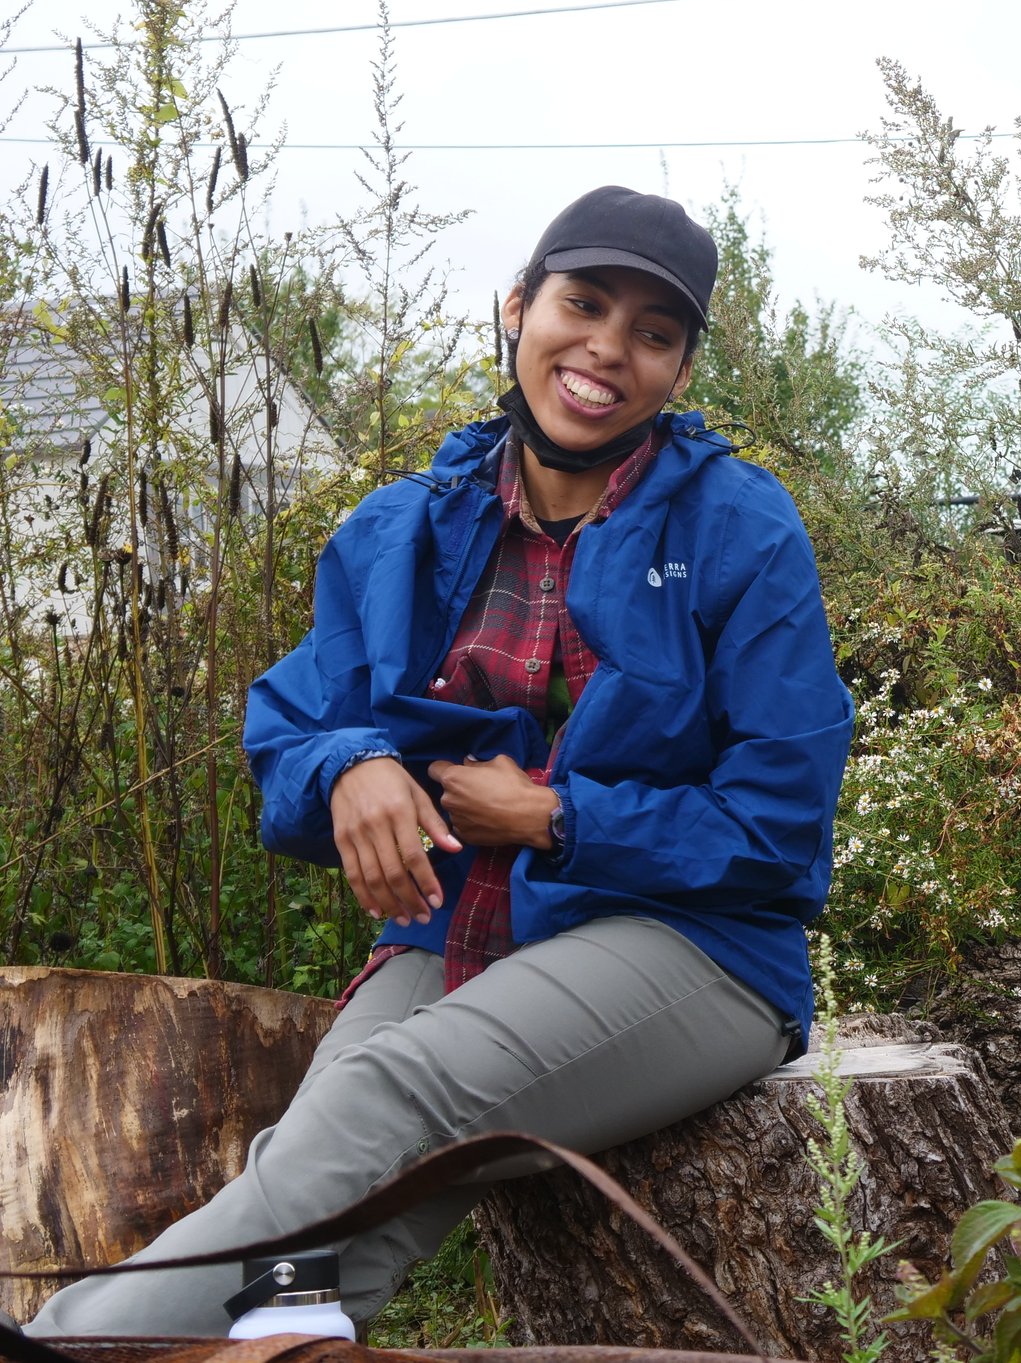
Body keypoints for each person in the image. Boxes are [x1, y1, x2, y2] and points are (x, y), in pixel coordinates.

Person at [29, 186, 853, 1337]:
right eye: (584, 302)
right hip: (462, 921)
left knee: (384, 1097)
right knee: (327, 1236)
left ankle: (65, 1336)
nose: (607, 347)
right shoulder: (405, 524)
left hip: (699, 946)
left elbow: (780, 825)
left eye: (654, 331)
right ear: (520, 306)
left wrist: (558, 818)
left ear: (681, 368)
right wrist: (351, 763)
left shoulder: (739, 529)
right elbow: (292, 726)